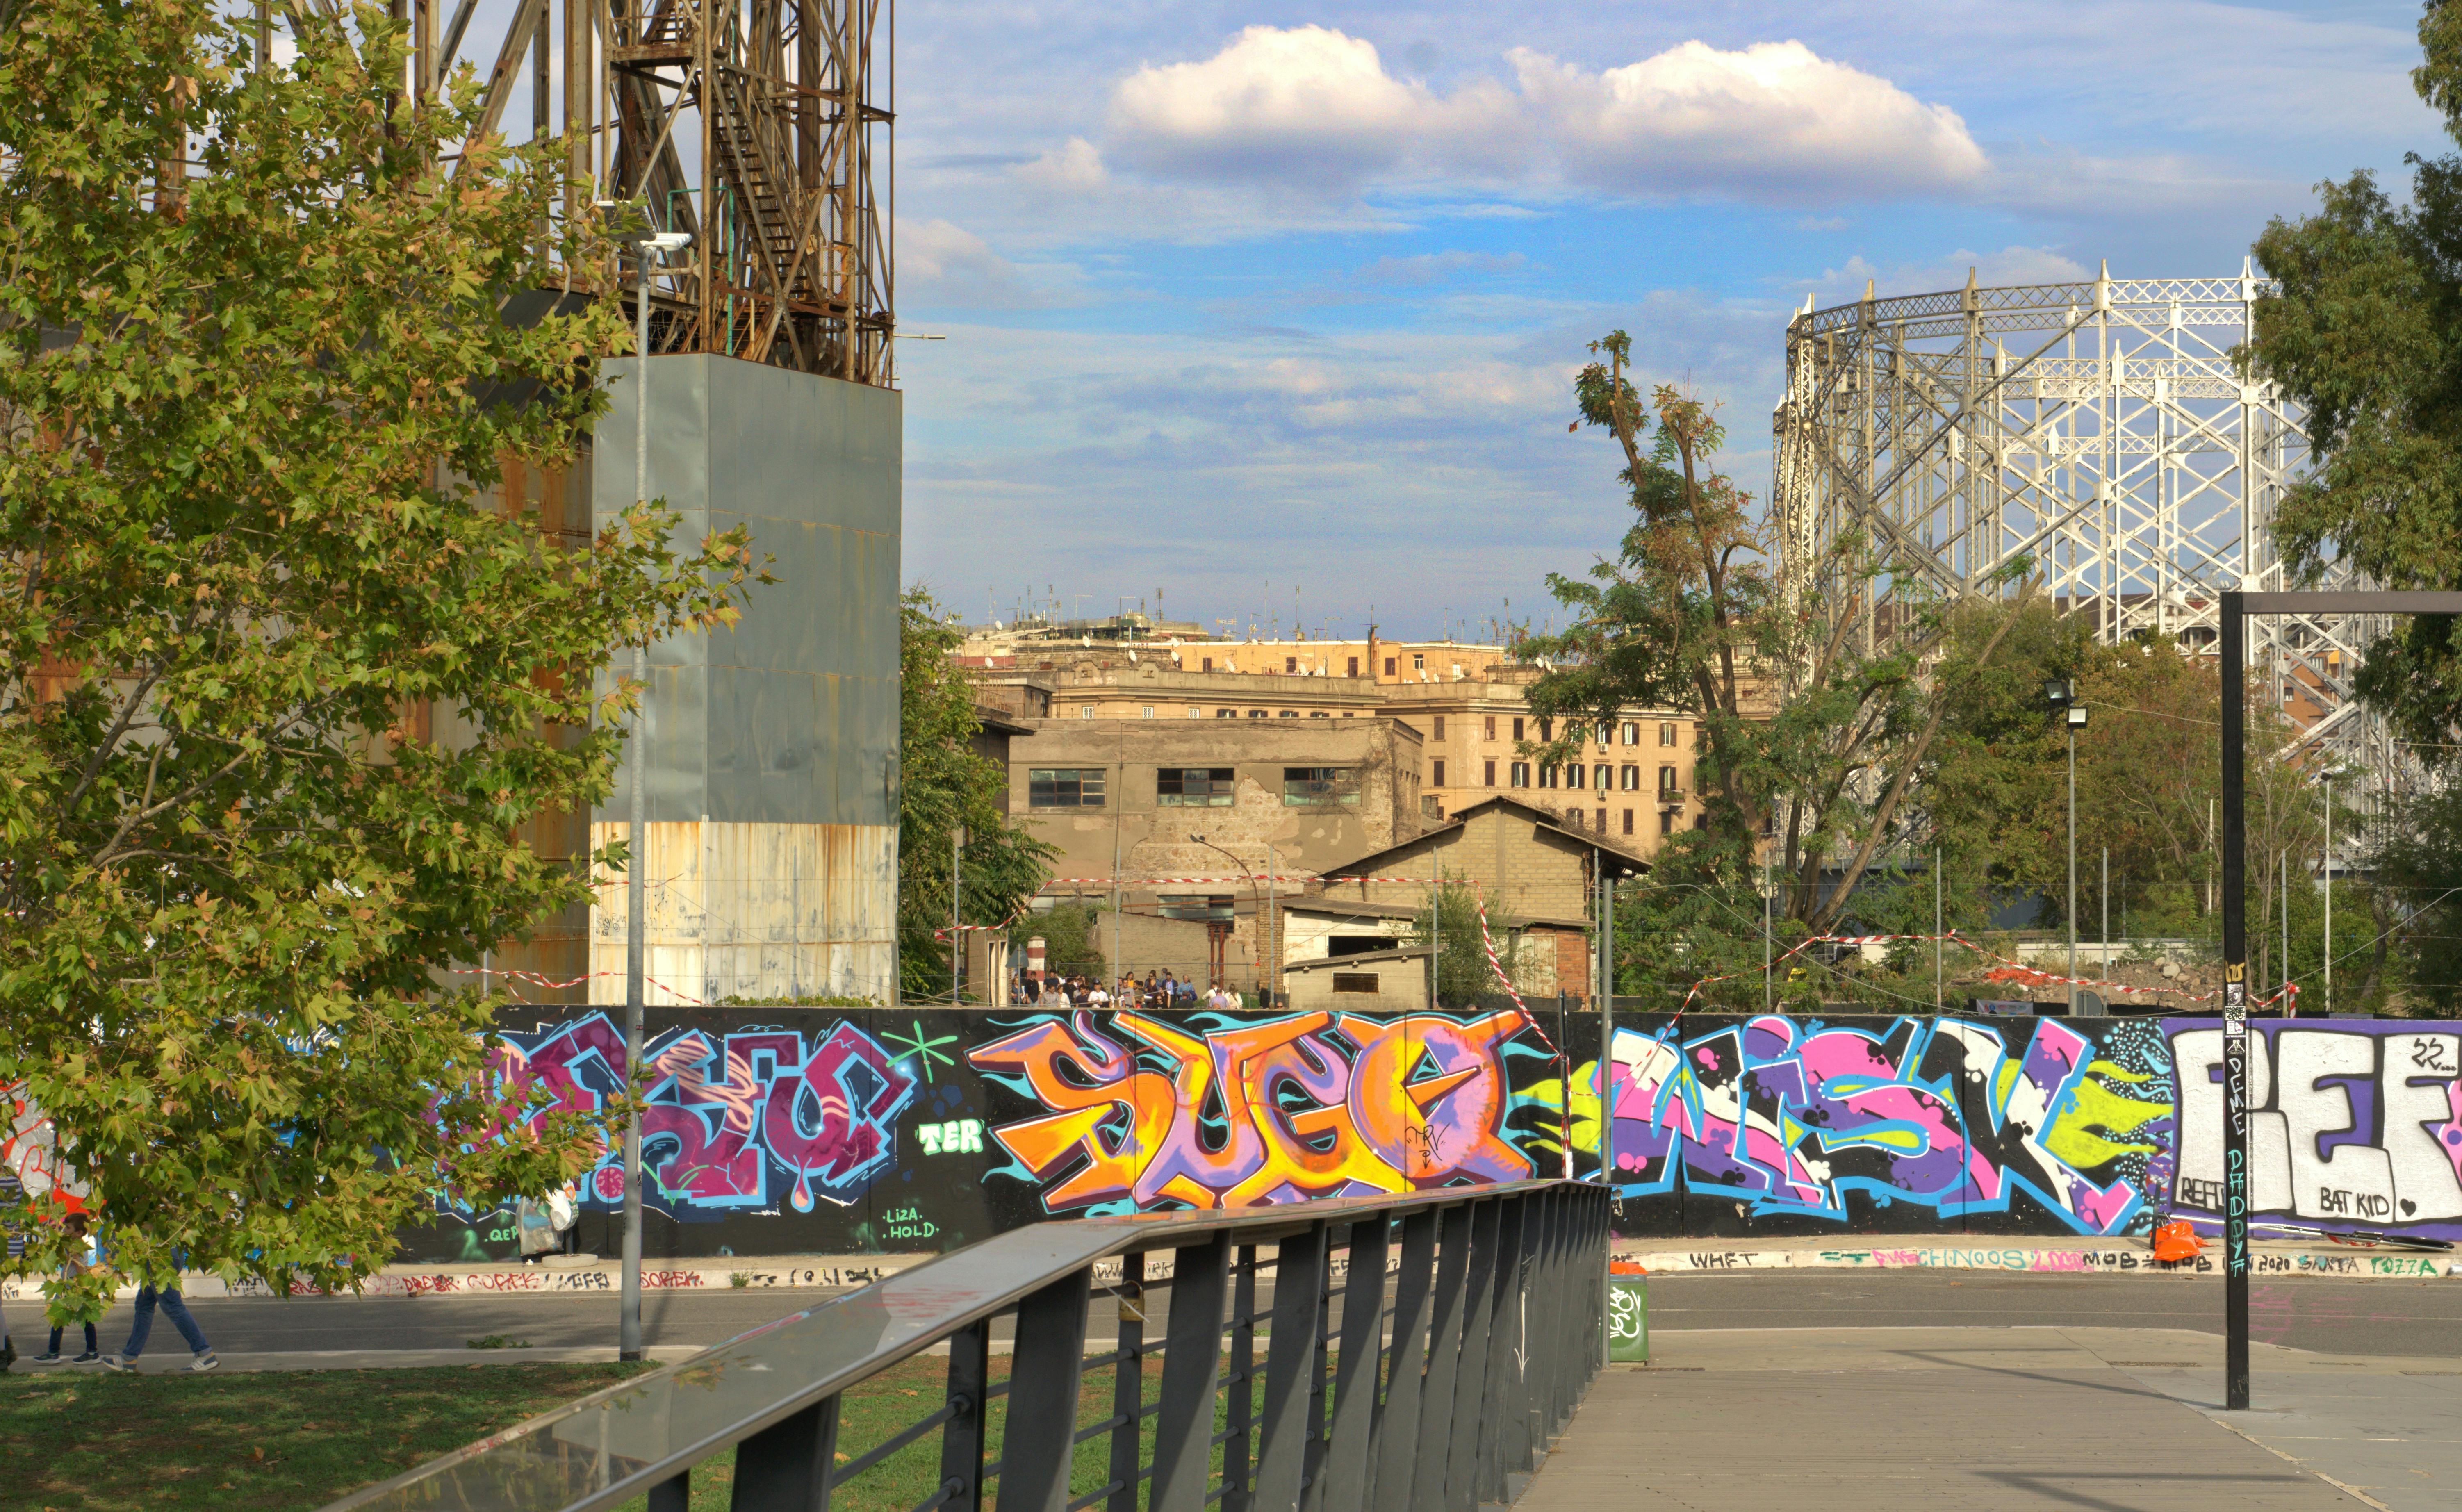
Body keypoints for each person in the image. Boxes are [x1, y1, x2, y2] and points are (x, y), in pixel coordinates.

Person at [100, 1244, 217, 1374]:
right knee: (144, 1306)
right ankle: (129, 1358)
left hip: (159, 1258)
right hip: (161, 1256)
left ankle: (204, 1353)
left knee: (173, 1307)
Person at [35, 1211, 102, 1364]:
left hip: (76, 1286)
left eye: (68, 1228)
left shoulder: (81, 1248)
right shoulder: (67, 1245)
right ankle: (54, 1352)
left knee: (86, 1319)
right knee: (58, 1317)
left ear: (79, 1233)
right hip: (65, 1284)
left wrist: (76, 1260)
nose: (64, 1230)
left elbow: (81, 1272)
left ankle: (92, 1353)